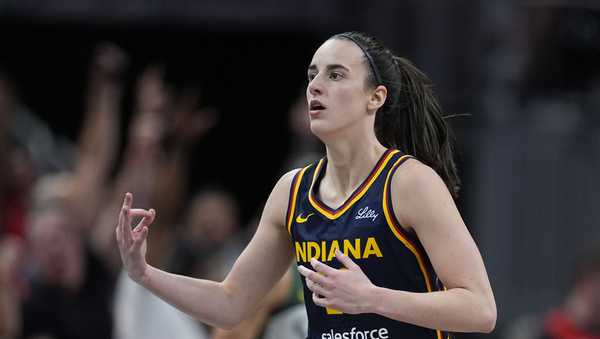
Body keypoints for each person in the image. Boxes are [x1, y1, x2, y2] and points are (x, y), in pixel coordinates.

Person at [116, 31, 497, 339]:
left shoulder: (409, 182)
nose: (315, 86)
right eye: (312, 75)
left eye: (335, 75)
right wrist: (144, 273)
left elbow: (480, 309)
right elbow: (230, 304)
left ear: (375, 97)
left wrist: (373, 298)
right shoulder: (292, 191)